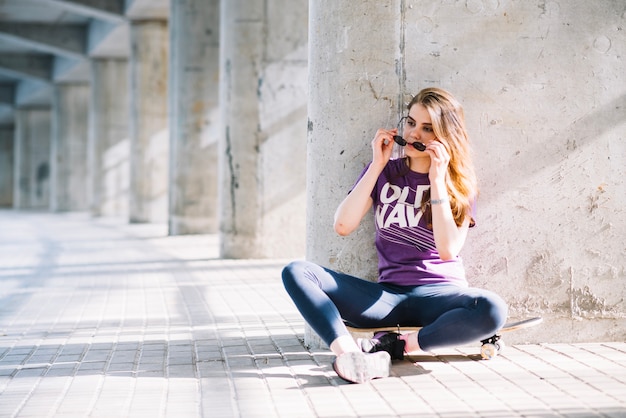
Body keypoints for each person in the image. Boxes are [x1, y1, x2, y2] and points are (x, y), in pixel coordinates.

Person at [282, 87, 508, 384]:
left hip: (440, 295)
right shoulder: (385, 172)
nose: (415, 134)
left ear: (446, 136)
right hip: (387, 297)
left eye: (428, 129)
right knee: (297, 271)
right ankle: (351, 356)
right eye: (411, 123)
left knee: (492, 309)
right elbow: (343, 226)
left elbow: (447, 250)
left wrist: (437, 180)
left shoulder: (459, 185)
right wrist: (377, 165)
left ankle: (401, 346)